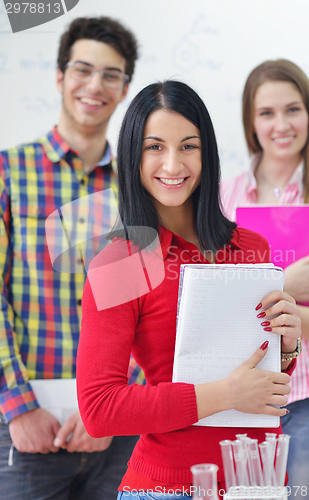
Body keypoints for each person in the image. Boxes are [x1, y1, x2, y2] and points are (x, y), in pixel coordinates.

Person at [76, 80, 301, 499]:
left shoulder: (252, 248)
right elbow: (100, 409)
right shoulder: (121, 264)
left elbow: (267, 383)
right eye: (155, 147)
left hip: (259, 480)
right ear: (132, 155)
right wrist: (225, 394)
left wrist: (287, 346)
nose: (174, 164)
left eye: (189, 146)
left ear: (207, 153)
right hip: (169, 486)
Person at [0, 16, 142, 500]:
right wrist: (18, 406)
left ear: (125, 89)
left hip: (118, 434)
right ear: (60, 76)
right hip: (25, 429)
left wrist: (113, 408)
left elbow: (153, 309)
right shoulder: (8, 173)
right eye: (83, 69)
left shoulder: (137, 189)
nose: (95, 85)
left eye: (111, 74)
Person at [221, 59, 309, 498]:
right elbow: (208, 307)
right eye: (267, 113)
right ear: (251, 122)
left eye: (293, 109)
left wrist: (283, 306)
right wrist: (286, 288)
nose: (281, 124)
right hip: (238, 400)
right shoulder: (221, 198)